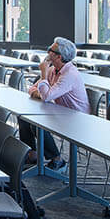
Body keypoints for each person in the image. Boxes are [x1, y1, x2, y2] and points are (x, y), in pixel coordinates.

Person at [27, 37, 89, 167]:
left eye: (50, 50)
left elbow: (46, 96)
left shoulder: (69, 74)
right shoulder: (53, 70)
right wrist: (40, 93)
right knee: (24, 118)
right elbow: (32, 89)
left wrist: (43, 74)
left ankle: (57, 159)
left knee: (37, 123)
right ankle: (32, 154)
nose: (47, 52)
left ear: (59, 57)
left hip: (76, 117)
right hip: (60, 112)